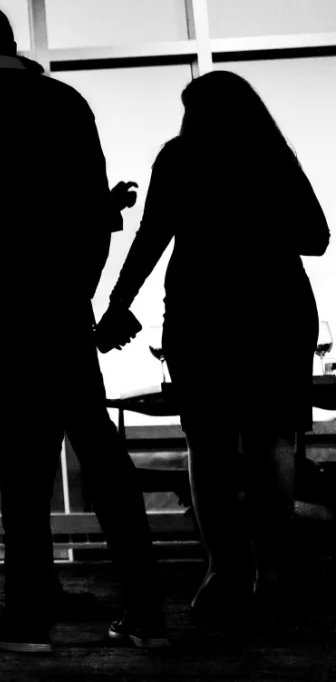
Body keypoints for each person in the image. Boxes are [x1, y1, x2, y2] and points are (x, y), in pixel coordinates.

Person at [0, 5, 168, 654]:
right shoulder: (66, 102)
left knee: (19, 454)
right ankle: (147, 609)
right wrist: (75, 292)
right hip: (59, 303)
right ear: (11, 43)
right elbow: (94, 216)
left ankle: (28, 618)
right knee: (100, 450)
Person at [100, 71, 329, 621]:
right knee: (273, 439)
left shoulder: (178, 158)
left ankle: (223, 571)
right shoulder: (274, 158)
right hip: (276, 311)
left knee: (207, 443)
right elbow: (316, 238)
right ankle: (270, 576)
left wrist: (117, 302)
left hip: (201, 314)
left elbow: (152, 235)